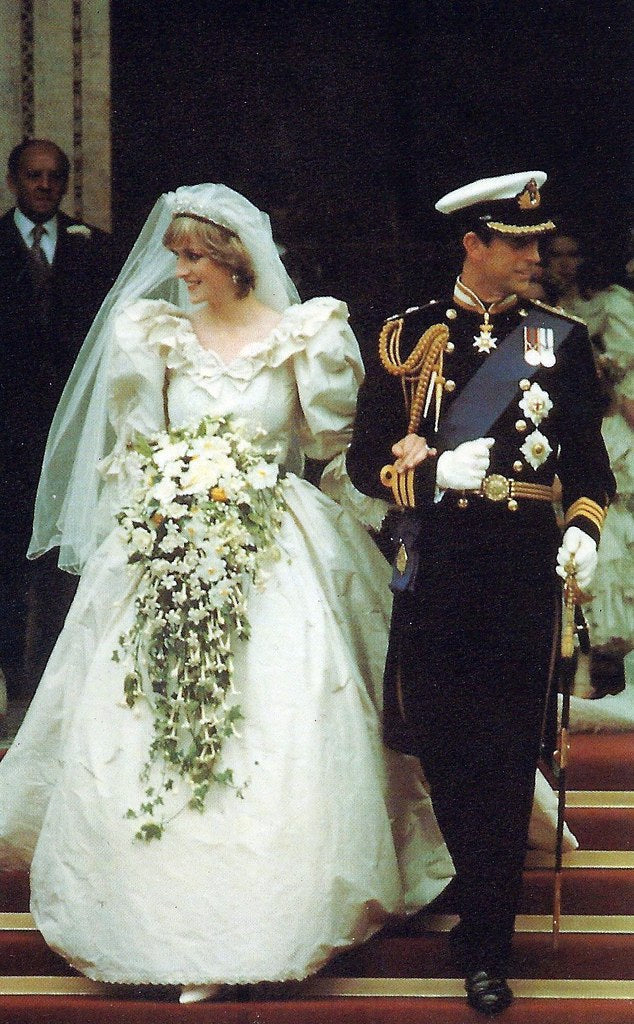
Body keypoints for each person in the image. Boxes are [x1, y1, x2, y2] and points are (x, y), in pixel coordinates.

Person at [0, 182, 458, 1001]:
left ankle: (281, 910)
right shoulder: (155, 338)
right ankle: (157, 916)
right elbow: (137, 449)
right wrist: (164, 505)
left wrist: (384, 515)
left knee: (288, 710)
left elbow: (329, 448)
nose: (178, 273)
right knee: (154, 711)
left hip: (276, 539)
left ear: (234, 260)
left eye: (192, 259)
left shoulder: (305, 336)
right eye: (175, 257)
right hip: (173, 536)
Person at [346, 172, 616, 1015]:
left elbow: (590, 467)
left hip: (522, 577)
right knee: (453, 754)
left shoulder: (561, 341)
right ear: (475, 245)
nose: (535, 256)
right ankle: (479, 910)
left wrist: (583, 529)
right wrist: (424, 484)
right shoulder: (405, 336)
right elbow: (362, 463)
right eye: (519, 242)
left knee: (505, 758)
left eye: (539, 241)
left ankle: (489, 941)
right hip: (439, 575)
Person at [0, 138, 117, 700]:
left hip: (67, 435)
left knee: (60, 560)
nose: (44, 185)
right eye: (33, 176)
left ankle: (50, 681)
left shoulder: (92, 247)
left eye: (54, 176)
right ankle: (9, 680)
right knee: (6, 556)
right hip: (5, 437)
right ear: (13, 181)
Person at [545, 233, 634, 698]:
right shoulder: (535, 314)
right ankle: (572, 677)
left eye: (572, 253)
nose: (564, 265)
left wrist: (606, 376)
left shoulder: (611, 308)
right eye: (555, 255)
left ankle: (608, 675)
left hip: (606, 436)